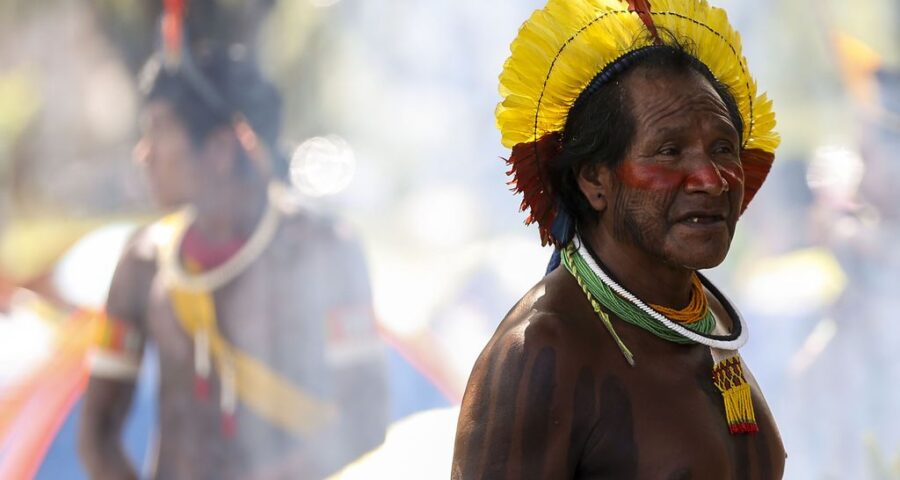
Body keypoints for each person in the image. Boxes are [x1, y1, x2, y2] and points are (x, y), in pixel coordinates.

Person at [452, 0, 786, 478]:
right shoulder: (545, 349)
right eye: (669, 151)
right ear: (595, 180)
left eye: (722, 148)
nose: (712, 180)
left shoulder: (700, 321)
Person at [77, 44, 388, 479]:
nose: (143, 153)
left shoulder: (325, 249)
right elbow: (96, 434)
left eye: (159, 131)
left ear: (221, 148)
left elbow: (364, 421)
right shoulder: (142, 262)